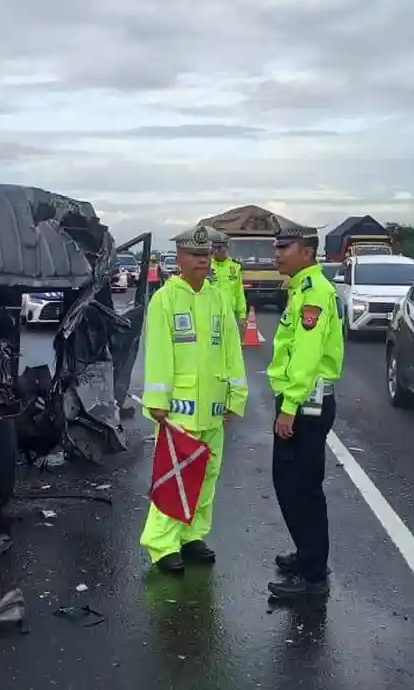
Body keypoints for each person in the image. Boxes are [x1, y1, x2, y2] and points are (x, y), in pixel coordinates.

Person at [140, 224, 248, 573]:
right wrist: (157, 400)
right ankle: (163, 544)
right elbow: (158, 354)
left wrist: (236, 394)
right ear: (180, 258)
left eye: (206, 255)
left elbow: (232, 350)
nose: (203, 261)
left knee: (206, 476)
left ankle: (192, 537)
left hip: (213, 407)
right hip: (178, 410)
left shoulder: (218, 298)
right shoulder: (165, 299)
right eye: (196, 255)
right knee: (174, 477)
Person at [266, 222, 344, 599]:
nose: (277, 253)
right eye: (277, 247)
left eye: (286, 247)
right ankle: (307, 555)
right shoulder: (300, 289)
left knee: (302, 488)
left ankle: (313, 577)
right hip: (301, 402)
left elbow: (307, 358)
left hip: (306, 405)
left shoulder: (314, 294)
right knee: (290, 483)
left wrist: (290, 407)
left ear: (308, 253)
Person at [209, 229, 248, 334]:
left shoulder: (235, 267)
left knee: (230, 346)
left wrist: (242, 315)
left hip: (230, 314)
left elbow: (239, 292)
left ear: (226, 247)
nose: (216, 251)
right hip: (210, 313)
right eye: (214, 247)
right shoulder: (206, 266)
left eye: (219, 247)